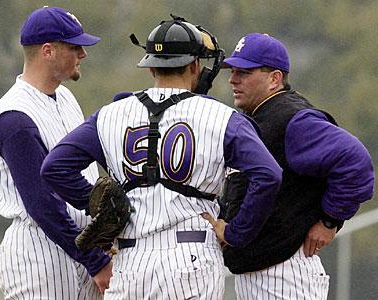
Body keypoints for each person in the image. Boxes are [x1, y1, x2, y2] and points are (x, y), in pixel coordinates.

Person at [41, 16, 283, 299]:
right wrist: (236, 233)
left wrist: (98, 205)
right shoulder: (222, 117)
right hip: (192, 256)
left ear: (151, 67)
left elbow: (54, 168)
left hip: (131, 261)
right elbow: (269, 174)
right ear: (195, 66)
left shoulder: (110, 114)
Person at [216, 32, 375, 299]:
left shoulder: (293, 119)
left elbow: (356, 162)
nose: (233, 79)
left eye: (244, 72)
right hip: (261, 270)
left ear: (274, 78)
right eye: (233, 71)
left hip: (285, 272)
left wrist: (329, 219)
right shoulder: (258, 116)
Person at [0, 6, 112, 299]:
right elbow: (42, 203)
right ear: (47, 51)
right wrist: (96, 261)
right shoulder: (15, 116)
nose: (82, 54)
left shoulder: (65, 97)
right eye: (74, 46)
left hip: (81, 248)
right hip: (40, 254)